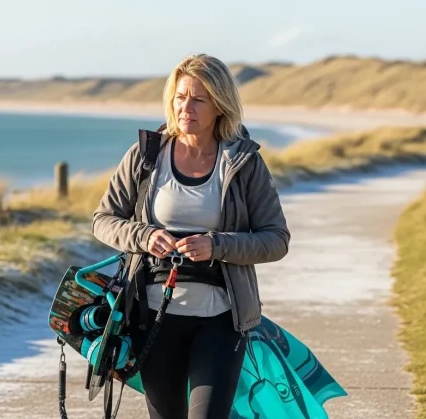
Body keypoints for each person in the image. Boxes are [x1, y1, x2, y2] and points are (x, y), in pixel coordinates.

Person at [91, 53, 291, 418]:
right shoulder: (146, 156)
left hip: (222, 318)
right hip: (153, 317)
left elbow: (276, 239)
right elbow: (103, 220)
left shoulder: (244, 162)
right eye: (180, 97)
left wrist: (217, 245)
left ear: (220, 105)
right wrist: (144, 236)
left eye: (199, 99)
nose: (186, 107)